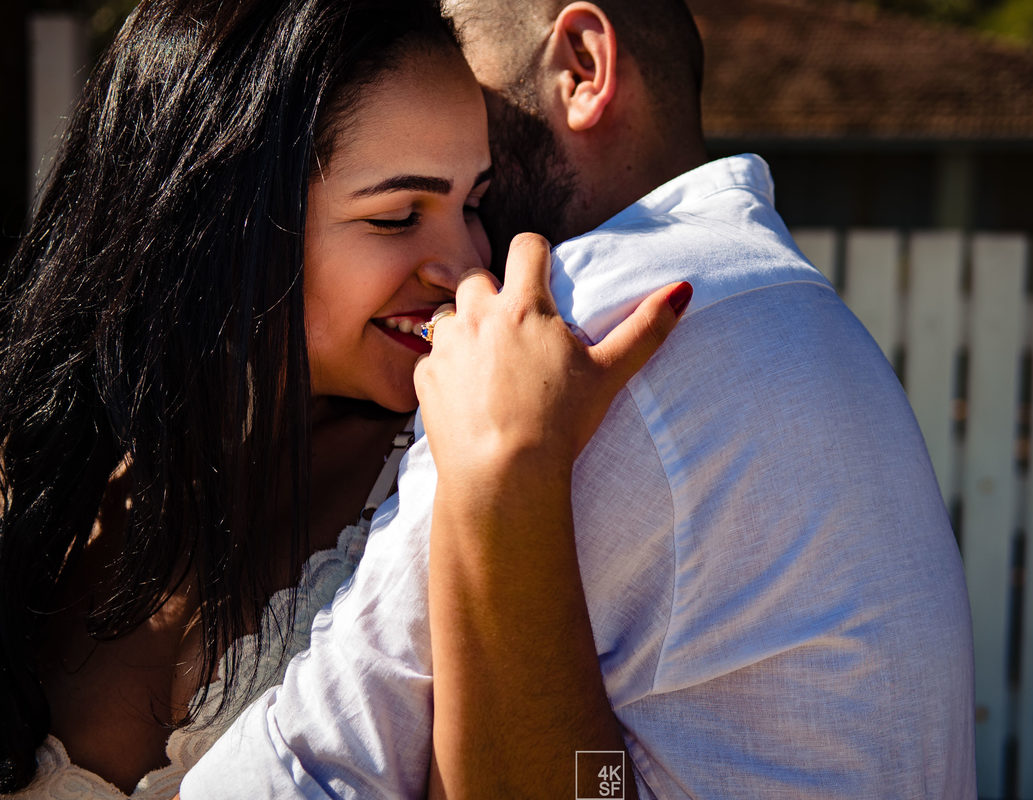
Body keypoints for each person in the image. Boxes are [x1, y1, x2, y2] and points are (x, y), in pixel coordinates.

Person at [184, 0, 978, 798]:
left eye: (468, 85)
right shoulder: (807, 312)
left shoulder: (578, 316)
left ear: (582, 66)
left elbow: (310, 767)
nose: (464, 256)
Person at [0, 0, 683, 796]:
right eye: (398, 216)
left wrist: (511, 477)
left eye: (474, 206)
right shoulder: (37, 484)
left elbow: (584, 789)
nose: (467, 268)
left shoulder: (442, 474)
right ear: (218, 219)